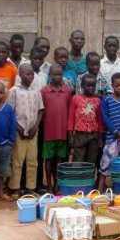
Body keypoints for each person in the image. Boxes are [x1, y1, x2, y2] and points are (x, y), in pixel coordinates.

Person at [7, 63, 44, 198]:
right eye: (27, 74)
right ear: (20, 75)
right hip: (19, 131)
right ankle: (15, 188)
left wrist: (36, 126)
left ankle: (30, 187)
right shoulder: (14, 91)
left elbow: (41, 110)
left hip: (33, 131)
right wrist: (18, 127)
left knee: (32, 160)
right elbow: (9, 112)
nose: (30, 76)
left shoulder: (36, 90)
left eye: (32, 74)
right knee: (17, 160)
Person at [41, 63, 73, 193]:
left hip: (62, 132)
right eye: (55, 74)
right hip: (49, 132)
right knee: (48, 160)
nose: (57, 76)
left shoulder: (67, 91)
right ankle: (48, 184)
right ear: (50, 75)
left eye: (60, 74)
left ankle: (57, 184)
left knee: (60, 160)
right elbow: (41, 111)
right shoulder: (44, 91)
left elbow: (69, 110)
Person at [98, 73, 120, 191]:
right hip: (112, 138)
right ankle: (100, 189)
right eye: (117, 86)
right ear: (112, 85)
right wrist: (116, 132)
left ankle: (117, 190)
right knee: (106, 162)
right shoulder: (107, 99)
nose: (119, 88)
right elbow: (105, 117)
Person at [68, 74, 104, 165]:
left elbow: (99, 119)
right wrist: (70, 135)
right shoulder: (76, 99)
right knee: (78, 160)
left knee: (92, 160)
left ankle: (89, 179)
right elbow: (71, 118)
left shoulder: (97, 101)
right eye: (88, 86)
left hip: (94, 135)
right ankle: (78, 178)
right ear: (83, 85)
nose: (90, 88)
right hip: (80, 134)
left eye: (93, 86)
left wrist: (100, 137)